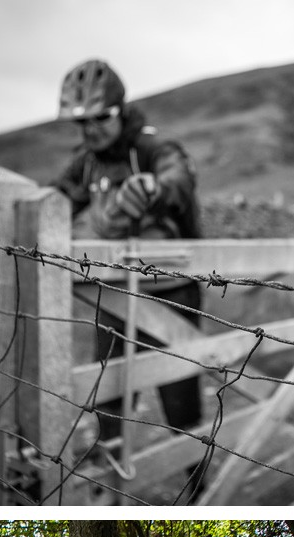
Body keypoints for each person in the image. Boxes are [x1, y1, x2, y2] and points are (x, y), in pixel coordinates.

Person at [49, 59, 204, 462]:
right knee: (110, 397)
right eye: (81, 122)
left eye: (100, 117)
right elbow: (58, 198)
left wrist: (154, 188)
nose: (90, 129)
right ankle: (109, 481)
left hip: (171, 293)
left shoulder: (152, 147)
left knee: (180, 401)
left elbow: (178, 179)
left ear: (119, 109)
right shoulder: (87, 161)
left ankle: (199, 486)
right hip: (115, 294)